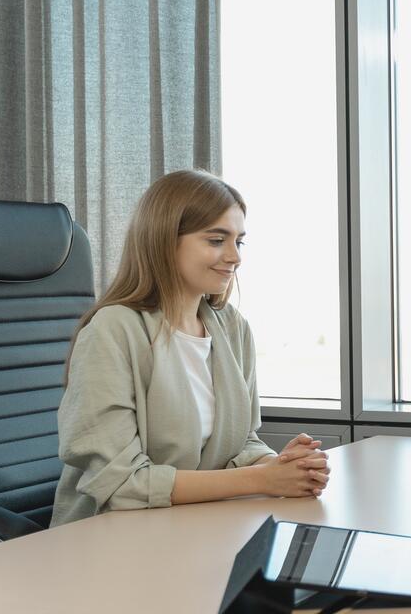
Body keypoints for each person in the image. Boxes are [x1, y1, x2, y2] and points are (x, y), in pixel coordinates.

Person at [52, 170, 329, 526]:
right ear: (164, 241)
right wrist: (262, 479)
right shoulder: (113, 331)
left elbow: (242, 443)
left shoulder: (232, 328)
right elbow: (120, 484)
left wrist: (281, 466)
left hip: (193, 529)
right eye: (216, 240)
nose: (234, 257)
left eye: (239, 242)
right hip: (111, 540)